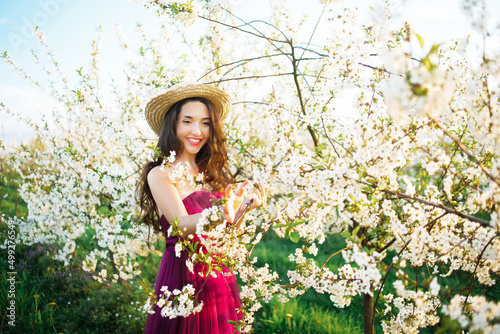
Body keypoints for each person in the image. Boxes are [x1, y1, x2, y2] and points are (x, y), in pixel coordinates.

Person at [137, 82, 266, 333]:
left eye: (205, 123)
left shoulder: (211, 173)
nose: (197, 130)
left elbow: (223, 231)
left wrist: (242, 210)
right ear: (172, 125)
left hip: (216, 270)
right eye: (188, 121)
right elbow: (180, 226)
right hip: (182, 271)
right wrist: (219, 213)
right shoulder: (161, 174)